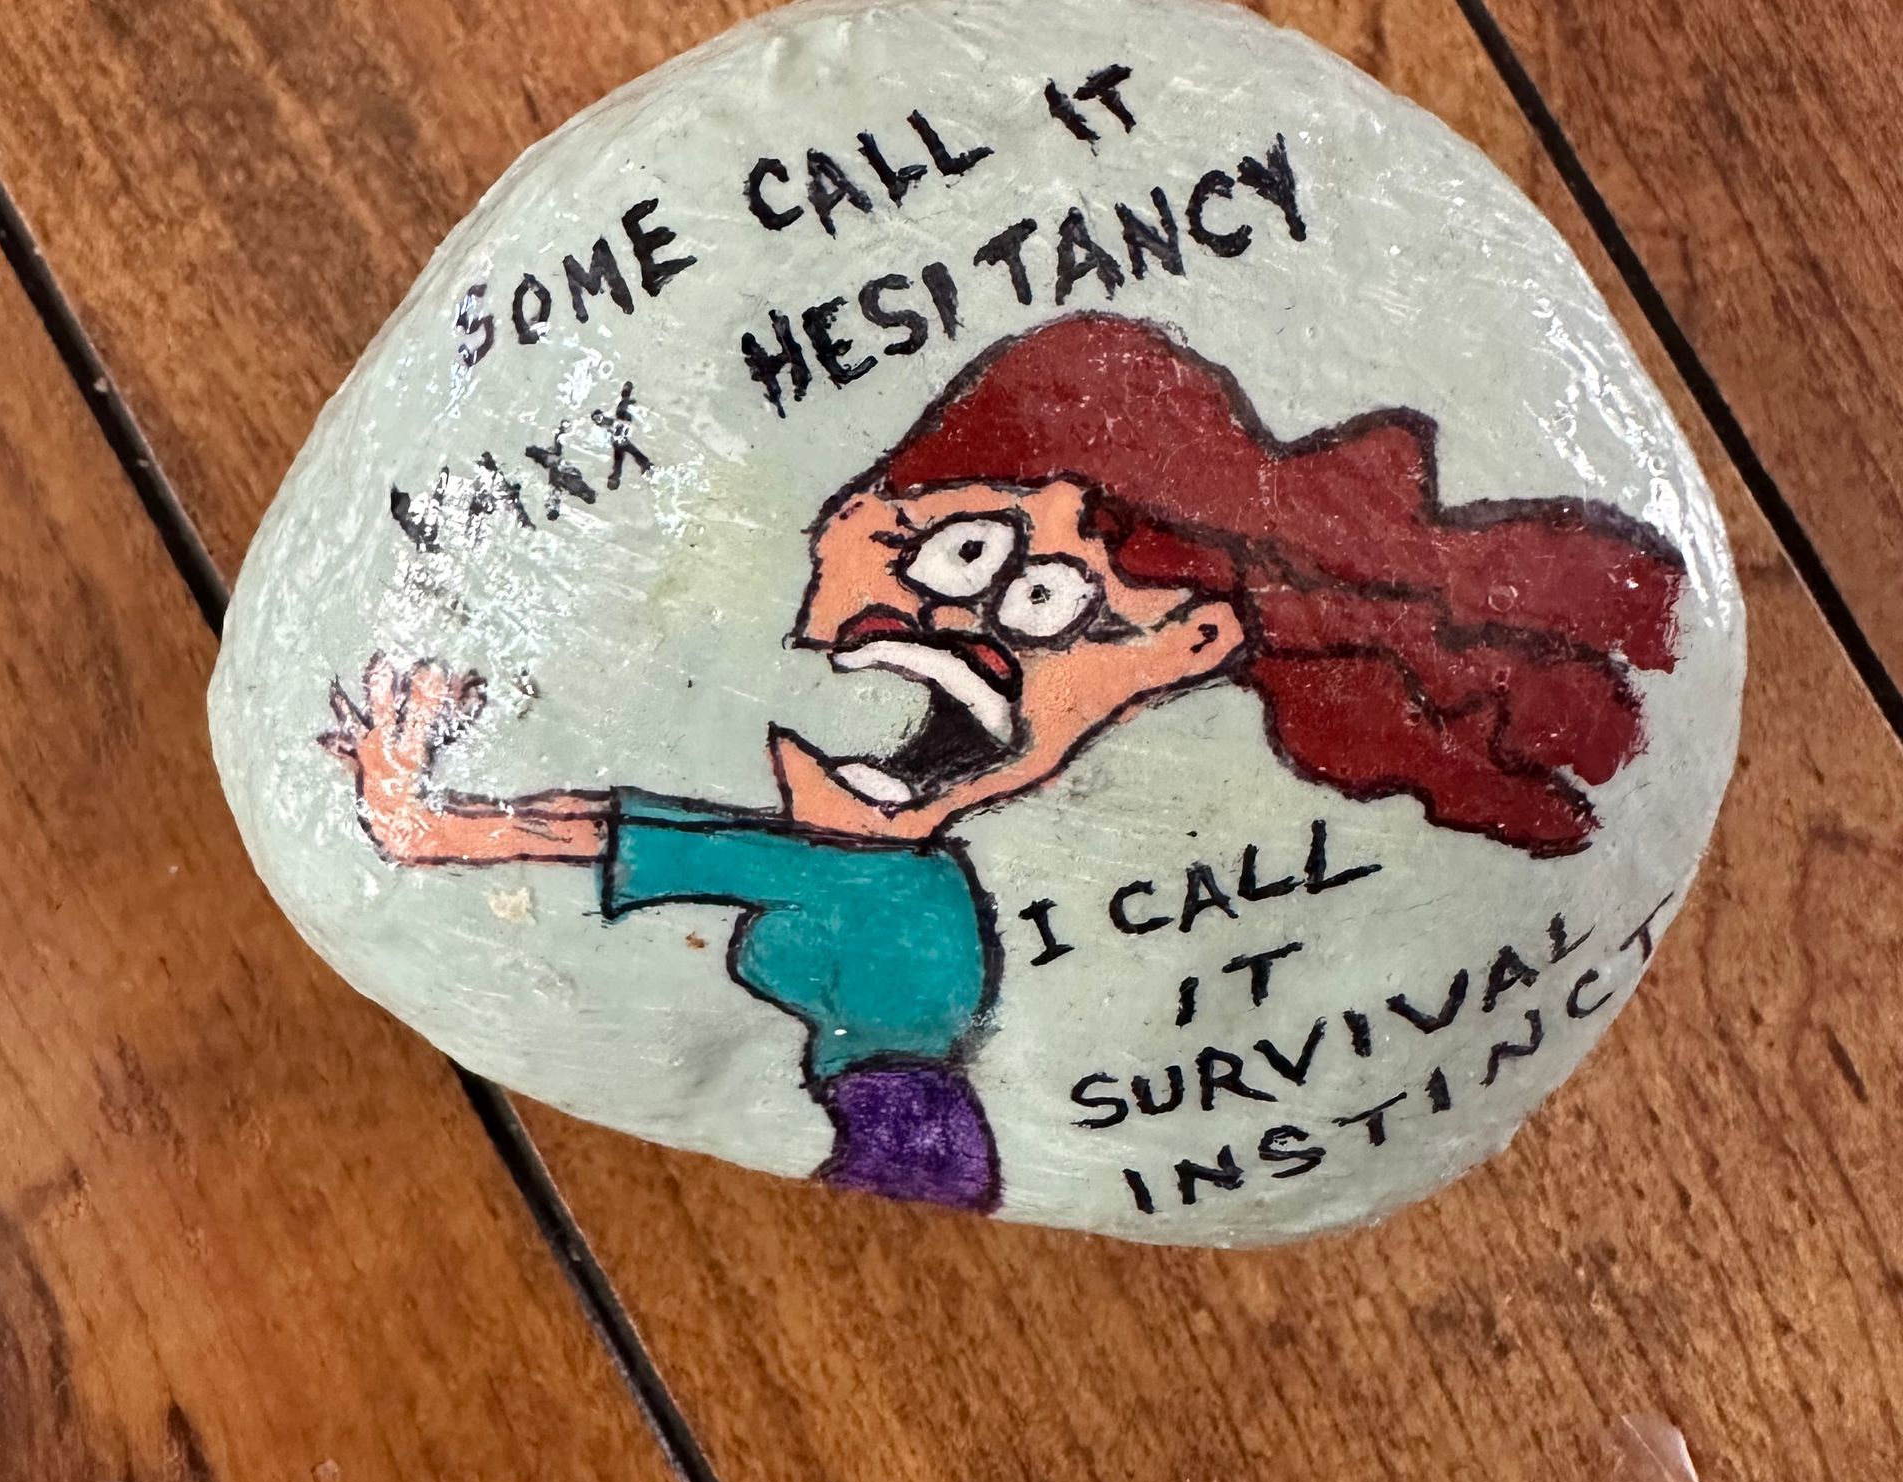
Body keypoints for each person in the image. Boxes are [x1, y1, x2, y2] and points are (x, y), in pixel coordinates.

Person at [324, 314, 1683, 1213]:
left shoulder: (872, 880)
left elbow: (618, 832)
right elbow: (646, 827)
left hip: (907, 1139)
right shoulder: (897, 877)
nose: (935, 628)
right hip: (930, 1144)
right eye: (951, 554)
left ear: (1185, 649)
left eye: (1032, 593)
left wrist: (417, 814)